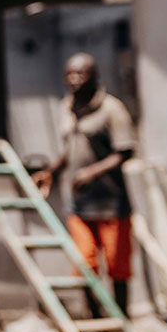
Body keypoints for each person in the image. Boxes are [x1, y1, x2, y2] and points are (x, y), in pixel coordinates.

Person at [33, 51, 137, 317]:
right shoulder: (66, 108)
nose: (74, 79)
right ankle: (96, 323)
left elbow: (124, 152)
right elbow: (69, 150)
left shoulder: (112, 109)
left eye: (81, 73)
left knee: (117, 265)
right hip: (79, 203)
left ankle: (121, 321)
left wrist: (92, 172)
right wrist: (52, 172)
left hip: (111, 203)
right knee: (84, 263)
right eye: (70, 74)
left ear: (93, 76)